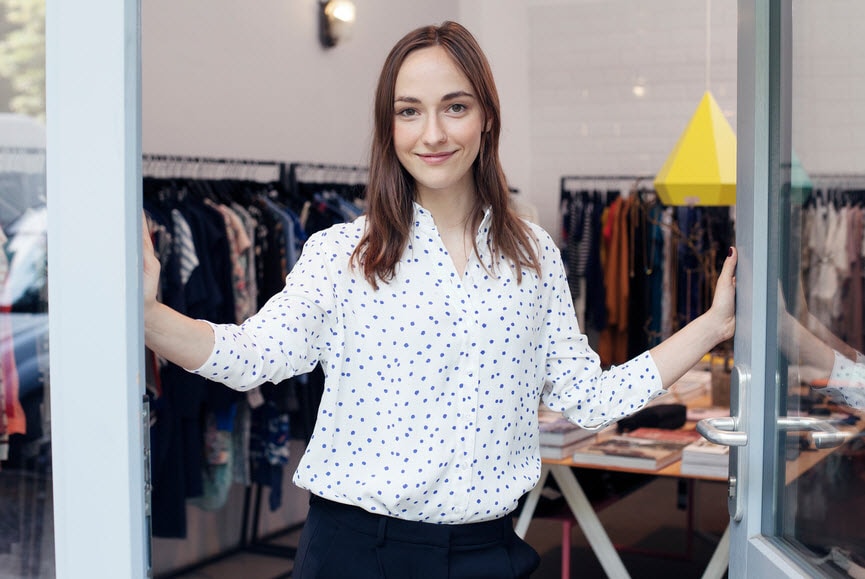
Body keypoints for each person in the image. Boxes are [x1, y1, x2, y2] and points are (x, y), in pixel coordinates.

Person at [142, 20, 737, 579]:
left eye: (455, 106)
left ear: (486, 118)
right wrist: (146, 315)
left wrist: (712, 327)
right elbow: (251, 354)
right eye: (409, 112)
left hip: (489, 551)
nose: (432, 133)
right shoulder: (342, 253)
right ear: (389, 127)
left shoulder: (532, 255)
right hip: (358, 553)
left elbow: (589, 397)